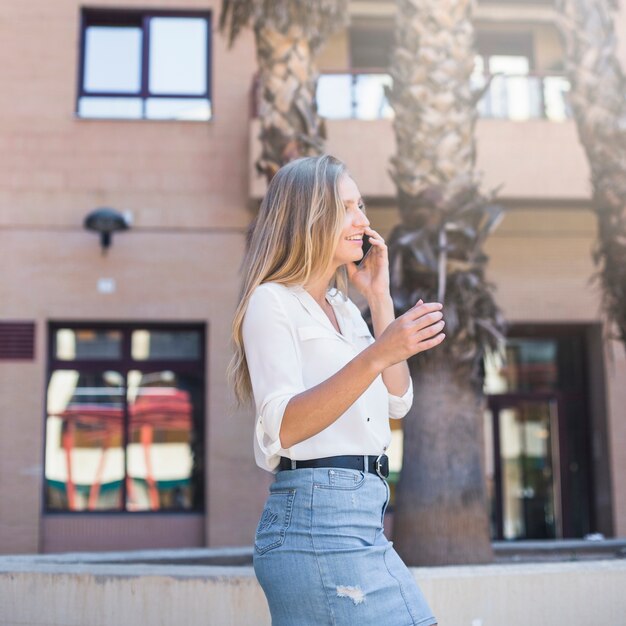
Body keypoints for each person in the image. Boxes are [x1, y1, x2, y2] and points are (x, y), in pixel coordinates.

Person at [229, 155, 444, 625]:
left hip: (364, 517)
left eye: (361, 206)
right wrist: (375, 354)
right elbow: (284, 425)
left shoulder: (346, 310)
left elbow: (397, 399)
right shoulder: (272, 302)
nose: (363, 221)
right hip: (314, 520)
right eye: (347, 207)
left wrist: (379, 299)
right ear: (309, 216)